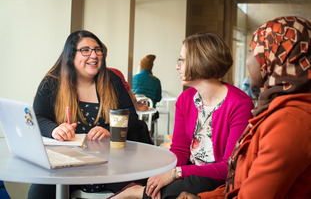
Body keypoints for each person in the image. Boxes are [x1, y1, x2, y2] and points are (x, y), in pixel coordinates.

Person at [177, 16, 311, 199]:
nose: (248, 60)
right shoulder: (276, 108)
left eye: (252, 51)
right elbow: (241, 180)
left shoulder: (290, 122)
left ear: (277, 57)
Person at [112, 32, 254, 199]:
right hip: (188, 174)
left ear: (200, 61)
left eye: (181, 60)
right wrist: (162, 177)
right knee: (156, 182)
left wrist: (175, 174)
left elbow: (229, 167)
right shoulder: (185, 100)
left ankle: (134, 193)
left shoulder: (240, 103)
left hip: (217, 180)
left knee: (186, 185)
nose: (177, 67)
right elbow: (179, 151)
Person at [28, 30, 151, 199]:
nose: (94, 55)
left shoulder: (113, 80)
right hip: (67, 165)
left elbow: (132, 120)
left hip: (111, 164)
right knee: (39, 193)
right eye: (85, 50)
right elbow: (38, 118)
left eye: (97, 50)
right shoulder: (52, 81)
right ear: (71, 55)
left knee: (141, 192)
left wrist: (110, 130)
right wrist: (54, 130)